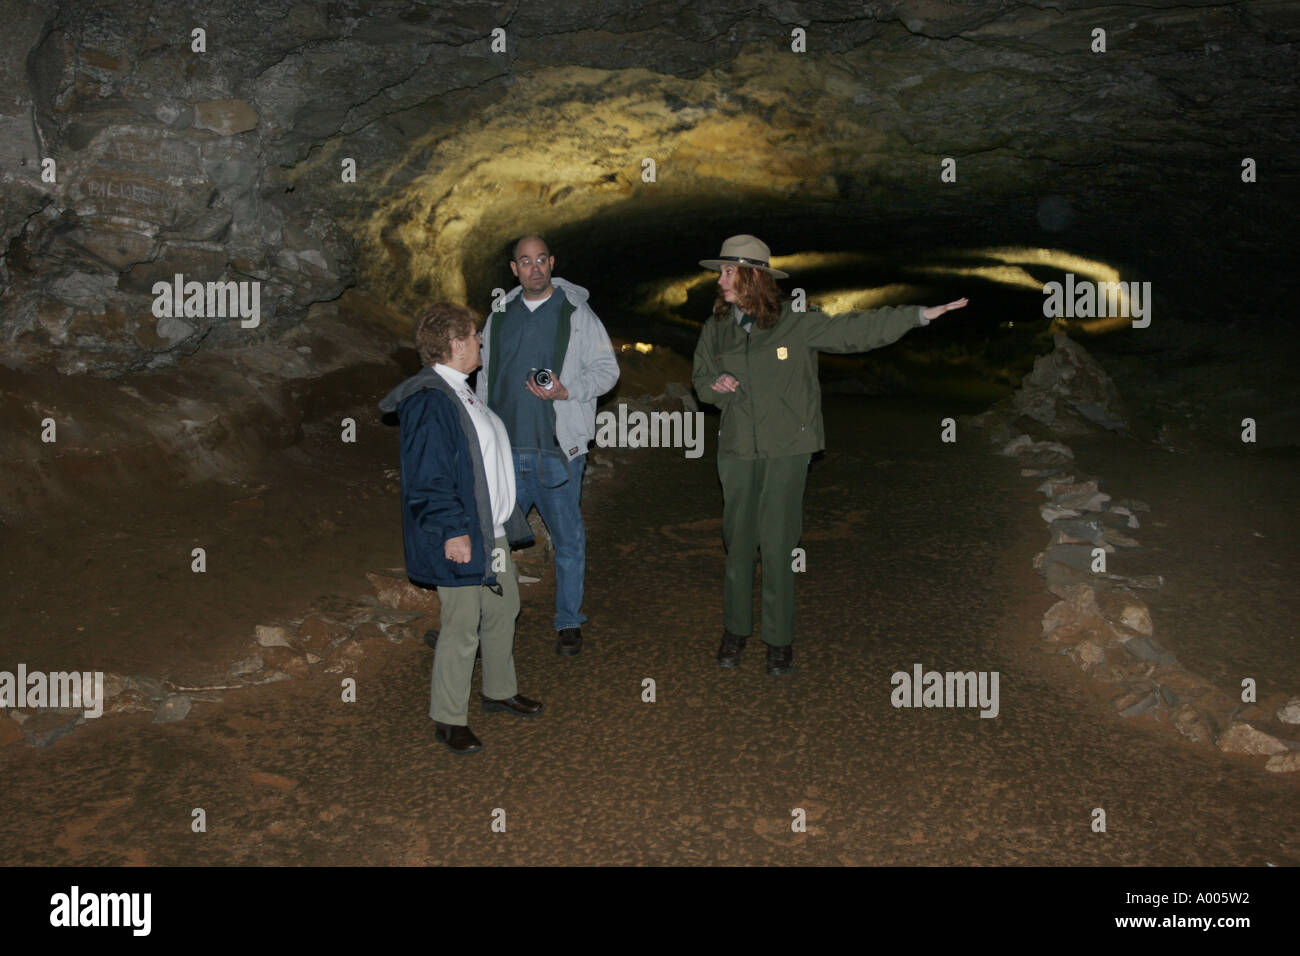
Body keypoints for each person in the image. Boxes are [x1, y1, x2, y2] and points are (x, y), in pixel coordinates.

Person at [691, 234, 969, 676]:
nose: (720, 279)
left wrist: (918, 315)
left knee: (779, 544)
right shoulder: (715, 328)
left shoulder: (796, 322)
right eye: (721, 271)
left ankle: (778, 639)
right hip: (738, 447)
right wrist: (716, 388)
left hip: (788, 449)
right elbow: (702, 378)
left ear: (754, 276)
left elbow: (856, 331)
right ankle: (735, 631)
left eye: (728, 271)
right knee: (738, 541)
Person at [379, 302, 542, 755]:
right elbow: (429, 478)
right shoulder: (431, 400)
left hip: (491, 531)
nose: (480, 342)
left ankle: (498, 688)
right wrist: (452, 531)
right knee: (461, 624)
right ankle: (449, 718)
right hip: (465, 532)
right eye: (474, 335)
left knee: (503, 608)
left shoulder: (460, 391)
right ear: (455, 345)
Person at [477, 235, 620, 657]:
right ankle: (485, 628)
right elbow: (484, 377)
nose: (534, 268)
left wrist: (567, 391)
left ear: (552, 262)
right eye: (526, 261)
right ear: (514, 268)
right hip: (507, 450)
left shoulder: (577, 312)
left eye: (541, 260)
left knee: (568, 540)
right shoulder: (499, 314)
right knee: (494, 543)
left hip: (557, 450)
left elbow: (607, 370)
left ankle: (569, 621)